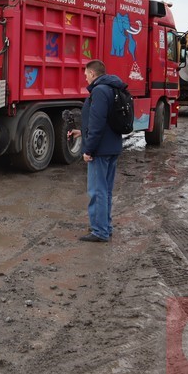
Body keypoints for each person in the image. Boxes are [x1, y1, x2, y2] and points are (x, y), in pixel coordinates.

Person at [68, 60, 125, 242]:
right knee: (105, 190)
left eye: (86, 74)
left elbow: (98, 123)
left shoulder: (99, 91)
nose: (85, 78)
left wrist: (89, 149)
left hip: (100, 150)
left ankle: (99, 231)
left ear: (93, 73)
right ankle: (105, 228)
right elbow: (106, 123)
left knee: (97, 191)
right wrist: (82, 134)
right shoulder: (112, 88)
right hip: (112, 146)